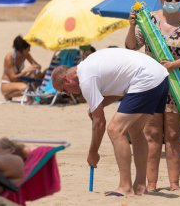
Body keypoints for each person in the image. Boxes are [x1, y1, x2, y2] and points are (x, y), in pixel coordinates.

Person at [51, 48, 169, 196]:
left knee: (115, 130)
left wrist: (93, 153)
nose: (67, 94)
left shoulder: (86, 78)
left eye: (64, 90)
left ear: (67, 80)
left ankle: (125, 187)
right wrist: (97, 107)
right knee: (135, 130)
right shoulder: (89, 66)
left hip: (146, 79)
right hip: (160, 77)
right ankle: (140, 186)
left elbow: (99, 123)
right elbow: (118, 90)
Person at [125, 0, 180, 191]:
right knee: (151, 136)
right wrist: (131, 26)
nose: (174, 0)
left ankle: (174, 184)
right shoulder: (148, 20)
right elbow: (131, 46)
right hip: (152, 86)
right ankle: (151, 184)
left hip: (178, 85)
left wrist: (174, 64)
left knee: (174, 136)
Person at [0, 35, 44, 101]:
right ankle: (7, 94)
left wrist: (36, 67)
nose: (29, 50)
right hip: (7, 83)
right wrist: (25, 71)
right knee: (25, 87)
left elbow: (36, 65)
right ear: (22, 50)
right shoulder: (9, 58)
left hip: (19, 80)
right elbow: (12, 78)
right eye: (28, 49)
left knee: (35, 75)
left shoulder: (25, 54)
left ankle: (33, 96)